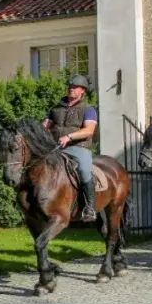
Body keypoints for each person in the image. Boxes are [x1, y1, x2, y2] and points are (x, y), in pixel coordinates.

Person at [43, 74, 99, 222]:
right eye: (70, 87)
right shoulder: (56, 108)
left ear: (83, 91)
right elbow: (45, 126)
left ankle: (90, 208)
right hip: (56, 148)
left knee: (84, 171)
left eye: (75, 88)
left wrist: (69, 137)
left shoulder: (88, 109)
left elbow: (89, 131)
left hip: (79, 147)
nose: (71, 89)